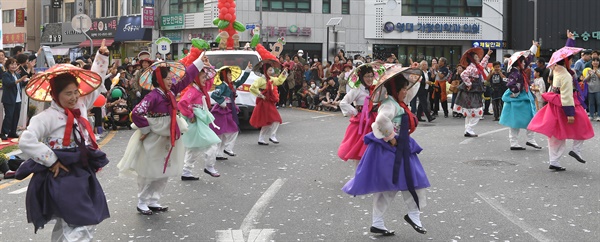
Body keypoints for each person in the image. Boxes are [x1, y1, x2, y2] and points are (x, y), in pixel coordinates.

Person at [17, 42, 111, 240]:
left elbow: (96, 85)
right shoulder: (47, 116)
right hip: (63, 174)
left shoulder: (81, 104)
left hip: (82, 169)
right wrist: (51, 160)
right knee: (82, 221)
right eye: (68, 93)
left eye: (76, 91)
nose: (74, 96)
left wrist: (102, 57)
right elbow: (26, 140)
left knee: (69, 222)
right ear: (55, 95)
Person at [117, 49, 208, 215]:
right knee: (151, 170)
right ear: (159, 80)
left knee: (164, 170)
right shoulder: (153, 96)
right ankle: (142, 201)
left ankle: (154, 200)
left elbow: (187, 77)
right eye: (167, 78)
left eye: (171, 78)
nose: (171, 81)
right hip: (154, 137)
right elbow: (136, 112)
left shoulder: (171, 92)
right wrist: (146, 128)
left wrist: (200, 62)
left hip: (169, 135)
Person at [342, 66, 429, 236]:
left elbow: (413, 89)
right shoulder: (390, 104)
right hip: (393, 148)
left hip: (397, 148)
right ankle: (412, 215)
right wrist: (392, 137)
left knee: (391, 186)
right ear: (396, 89)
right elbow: (380, 121)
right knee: (412, 181)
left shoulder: (397, 102)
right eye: (404, 88)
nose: (406, 91)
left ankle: (380, 222)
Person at [528, 31, 594, 171]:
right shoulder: (565, 75)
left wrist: (570, 41)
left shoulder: (556, 68)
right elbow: (566, 95)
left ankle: (554, 161)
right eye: (570, 59)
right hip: (566, 105)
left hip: (555, 106)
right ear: (566, 61)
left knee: (556, 135)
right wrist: (570, 113)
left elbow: (563, 54)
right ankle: (576, 150)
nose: (571, 60)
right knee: (583, 125)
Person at [178, 49, 220, 180]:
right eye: (202, 77)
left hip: (198, 121)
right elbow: (182, 103)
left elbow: (210, 81)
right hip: (195, 122)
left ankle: (186, 171)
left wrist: (208, 66)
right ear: (195, 79)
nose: (205, 79)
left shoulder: (200, 89)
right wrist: (191, 115)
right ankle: (209, 166)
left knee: (193, 148)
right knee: (213, 143)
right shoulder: (193, 91)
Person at [500, 41, 542, 150]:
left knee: (516, 122)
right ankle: (528, 140)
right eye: (522, 62)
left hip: (520, 98)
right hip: (520, 98)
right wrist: (516, 92)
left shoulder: (519, 71)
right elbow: (511, 84)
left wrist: (534, 46)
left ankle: (517, 142)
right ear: (518, 63)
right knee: (528, 119)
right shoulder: (515, 73)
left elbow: (529, 58)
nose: (524, 63)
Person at [338, 63, 378, 165]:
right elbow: (343, 103)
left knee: (375, 152)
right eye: (366, 76)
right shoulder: (357, 90)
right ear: (361, 77)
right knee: (360, 153)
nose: (369, 79)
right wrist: (355, 111)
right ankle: (358, 178)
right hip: (362, 122)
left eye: (371, 76)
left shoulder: (376, 89)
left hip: (375, 121)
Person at [210, 62, 251, 160]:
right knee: (228, 131)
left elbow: (242, 80)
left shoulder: (232, 85)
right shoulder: (222, 86)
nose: (230, 76)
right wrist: (222, 102)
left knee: (226, 132)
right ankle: (225, 149)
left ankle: (220, 153)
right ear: (223, 76)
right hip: (222, 109)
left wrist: (247, 70)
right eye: (228, 74)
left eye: (230, 74)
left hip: (229, 108)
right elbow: (214, 95)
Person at [249, 53, 288, 145]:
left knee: (270, 121)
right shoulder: (261, 79)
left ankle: (264, 137)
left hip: (269, 102)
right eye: (270, 70)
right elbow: (252, 88)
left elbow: (279, 81)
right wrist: (261, 95)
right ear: (265, 71)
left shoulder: (271, 79)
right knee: (273, 120)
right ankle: (269, 136)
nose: (272, 71)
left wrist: (284, 72)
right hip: (264, 102)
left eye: (272, 70)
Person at [456, 47, 493, 137]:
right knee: (477, 111)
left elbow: (483, 64)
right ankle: (469, 129)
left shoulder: (476, 66)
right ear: (472, 59)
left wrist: (488, 55)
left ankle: (467, 129)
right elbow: (463, 74)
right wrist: (469, 84)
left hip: (473, 91)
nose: (478, 58)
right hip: (473, 91)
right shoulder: (472, 67)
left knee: (470, 112)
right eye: (476, 57)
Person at [1, 58, 28, 140]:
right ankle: (4, 133)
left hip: (18, 99)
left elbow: (21, 83)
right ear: (8, 66)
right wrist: (19, 80)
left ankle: (12, 132)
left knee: (16, 116)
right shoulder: (6, 74)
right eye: (12, 64)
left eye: (15, 64)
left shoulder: (17, 74)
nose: (14, 66)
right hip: (9, 99)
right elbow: (9, 84)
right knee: (9, 116)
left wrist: (27, 80)